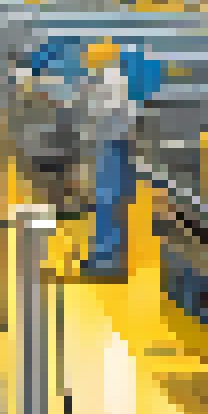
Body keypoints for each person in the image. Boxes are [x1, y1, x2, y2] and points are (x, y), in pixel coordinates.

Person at [81, 40, 137, 278]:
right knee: (108, 203)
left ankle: (108, 259)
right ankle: (106, 255)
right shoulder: (109, 77)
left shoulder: (112, 79)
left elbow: (112, 116)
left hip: (112, 145)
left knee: (108, 202)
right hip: (112, 145)